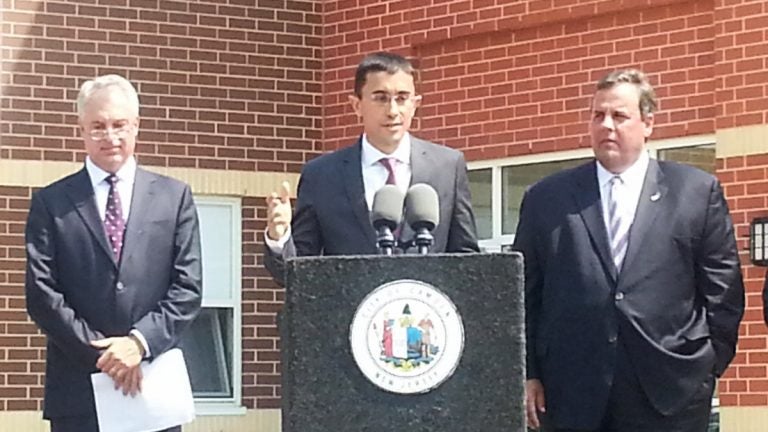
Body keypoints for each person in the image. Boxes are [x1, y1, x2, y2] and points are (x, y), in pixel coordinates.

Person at [514, 69, 744, 431]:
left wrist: (706, 366)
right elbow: (524, 295)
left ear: (648, 123)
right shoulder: (547, 199)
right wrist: (528, 372)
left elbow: (724, 292)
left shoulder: (695, 192)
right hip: (571, 394)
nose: (606, 125)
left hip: (670, 393)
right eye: (597, 115)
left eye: (619, 116)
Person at [25, 74, 202, 432]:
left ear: (136, 125)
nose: (110, 136)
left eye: (119, 124)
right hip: (79, 394)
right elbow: (42, 294)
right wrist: (108, 356)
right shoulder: (51, 202)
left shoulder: (174, 198)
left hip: (154, 389)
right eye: (98, 126)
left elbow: (188, 288)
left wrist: (139, 344)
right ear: (81, 130)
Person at [263, 52, 479, 283]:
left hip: (426, 313)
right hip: (351, 313)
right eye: (381, 98)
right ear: (357, 105)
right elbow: (297, 273)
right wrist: (280, 236)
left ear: (415, 104)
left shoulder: (447, 167)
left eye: (402, 97)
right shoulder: (322, 175)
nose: (393, 111)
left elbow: (466, 258)